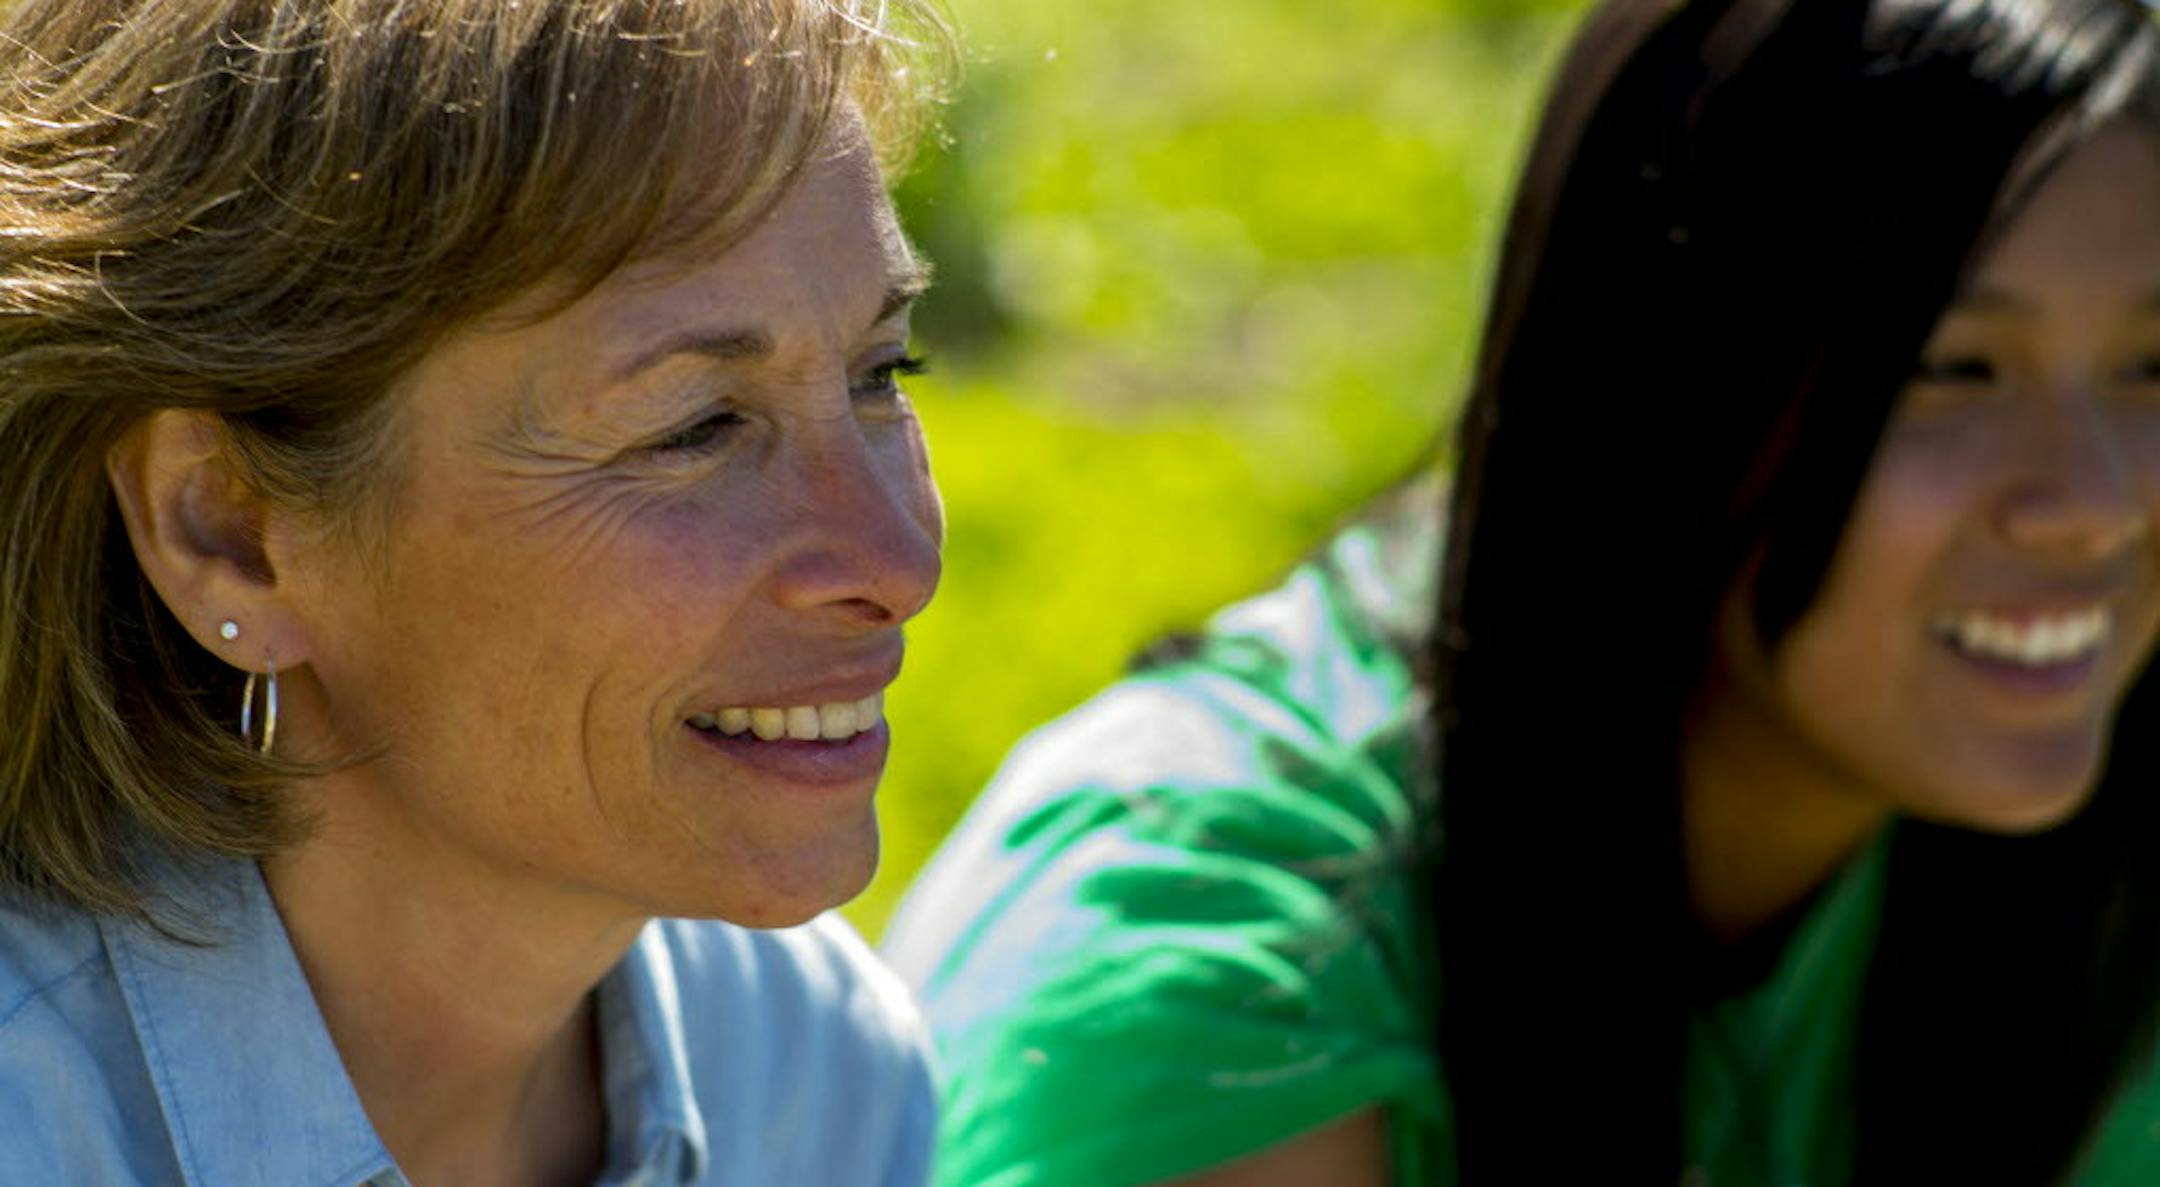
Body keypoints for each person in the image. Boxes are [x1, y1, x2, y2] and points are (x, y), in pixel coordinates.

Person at [882, 0, 2160, 1183]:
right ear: (1657, 393)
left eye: (2152, 364)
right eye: (1956, 368)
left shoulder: (2071, 879)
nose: (2095, 500)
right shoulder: (1208, 970)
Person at [0, 1, 952, 1184]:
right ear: (229, 532)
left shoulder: (810, 1073)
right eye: (695, 427)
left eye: (880, 373)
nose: (898, 562)